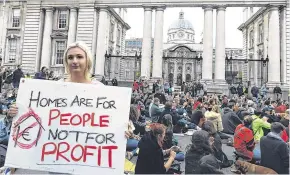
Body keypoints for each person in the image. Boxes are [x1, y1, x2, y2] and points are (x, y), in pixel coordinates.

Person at [4, 42, 126, 174]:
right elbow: (39, 117)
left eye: (79, 57)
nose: (74, 61)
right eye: (70, 57)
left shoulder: (100, 90)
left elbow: (111, 124)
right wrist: (16, 112)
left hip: (87, 155)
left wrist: (123, 132)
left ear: (87, 60)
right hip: (57, 153)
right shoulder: (55, 87)